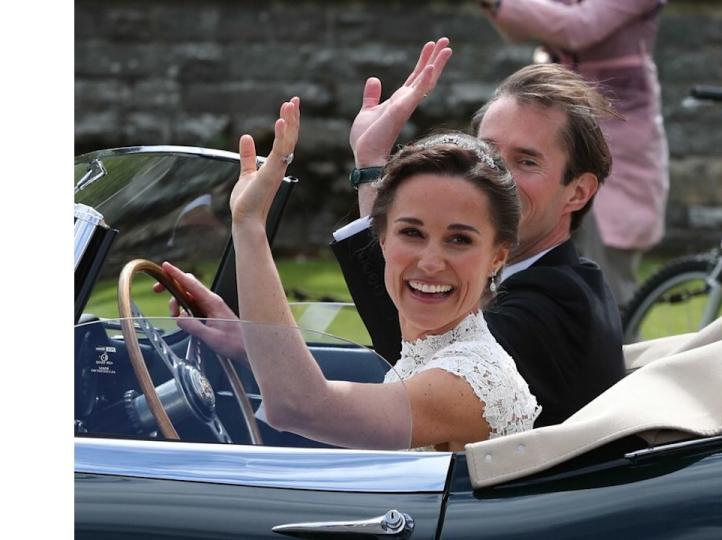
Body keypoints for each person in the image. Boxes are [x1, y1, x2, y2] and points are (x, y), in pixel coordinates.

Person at [210, 95, 539, 450]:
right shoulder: (431, 350)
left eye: (459, 239)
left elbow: (298, 406)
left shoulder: (470, 380)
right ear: (382, 240)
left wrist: (249, 225)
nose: (430, 262)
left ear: (496, 257)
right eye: (412, 233)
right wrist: (246, 343)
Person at [333, 37, 625, 427]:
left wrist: (372, 166)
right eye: (488, 153)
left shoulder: (557, 302)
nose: (498, 177)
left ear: (578, 192)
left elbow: (413, 351)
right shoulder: (544, 280)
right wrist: (259, 343)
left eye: (526, 161)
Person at [477, 0, 671, 306]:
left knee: (611, 288)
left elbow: (578, 28)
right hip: (553, 149)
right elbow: (520, 28)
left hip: (619, 154)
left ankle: (621, 350)